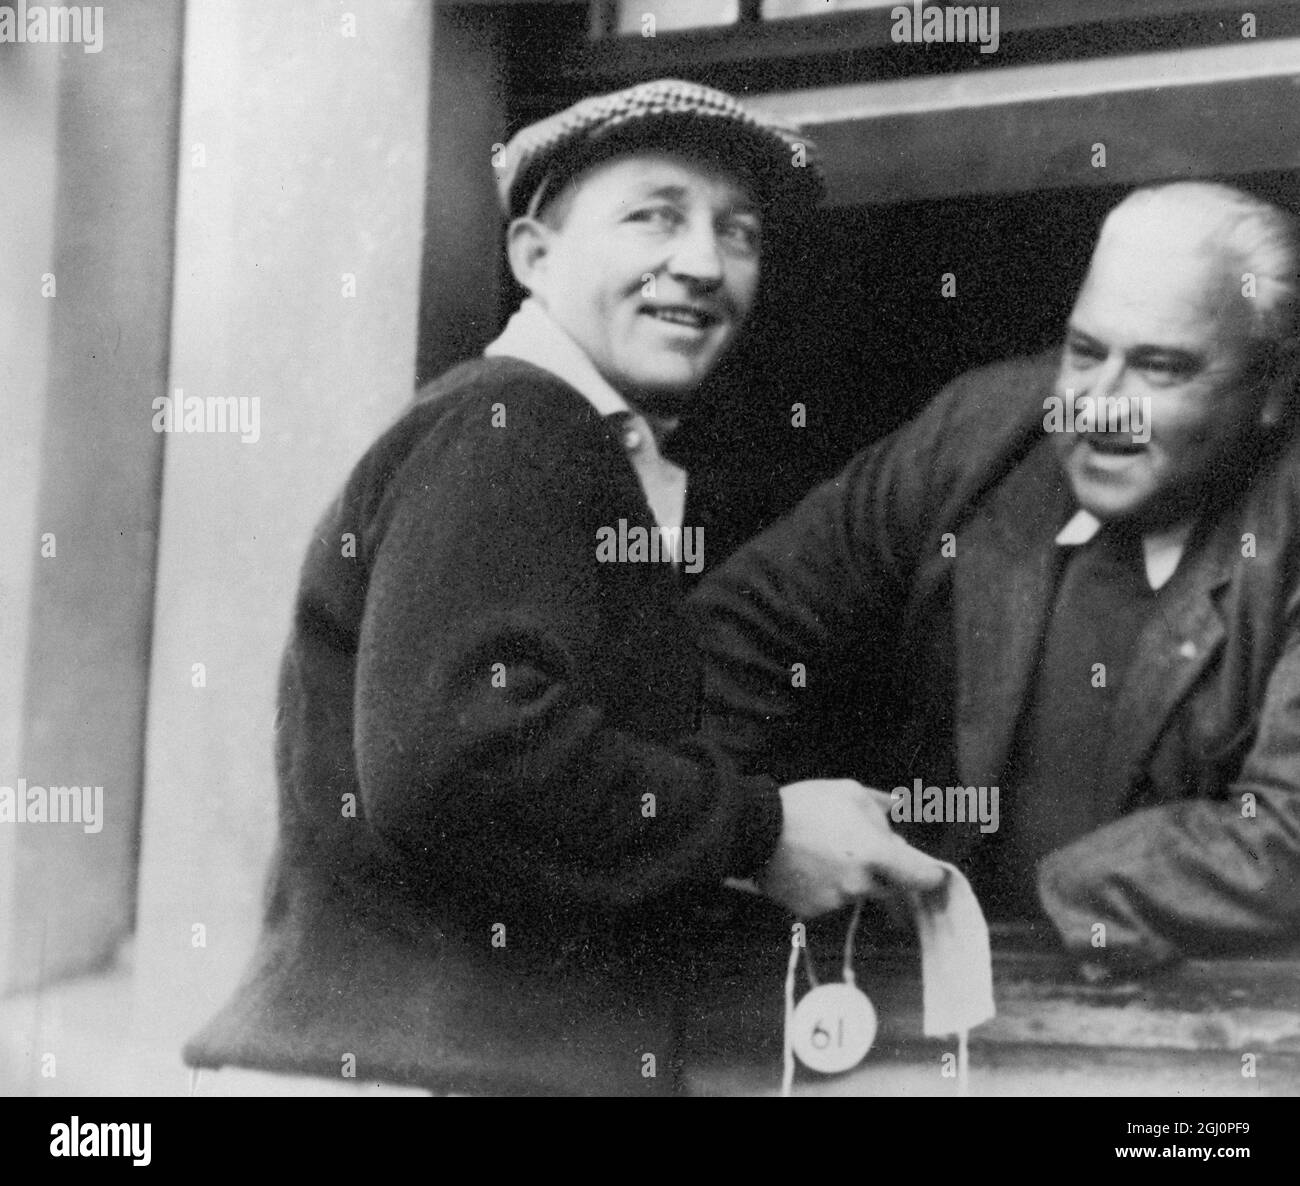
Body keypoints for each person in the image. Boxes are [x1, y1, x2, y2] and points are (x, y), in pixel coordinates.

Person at [183, 79, 944, 1097]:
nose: (703, 264)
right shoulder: (516, 425)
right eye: (653, 217)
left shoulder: (548, 437)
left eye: (740, 233)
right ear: (534, 256)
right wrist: (760, 831)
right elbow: (459, 752)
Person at [691, 180, 1300, 975]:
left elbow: (1287, 837)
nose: (1097, 407)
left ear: (1274, 390)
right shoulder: (981, 434)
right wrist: (742, 832)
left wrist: (1033, 912)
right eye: (1085, 353)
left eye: (1159, 367)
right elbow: (734, 635)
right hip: (921, 1007)